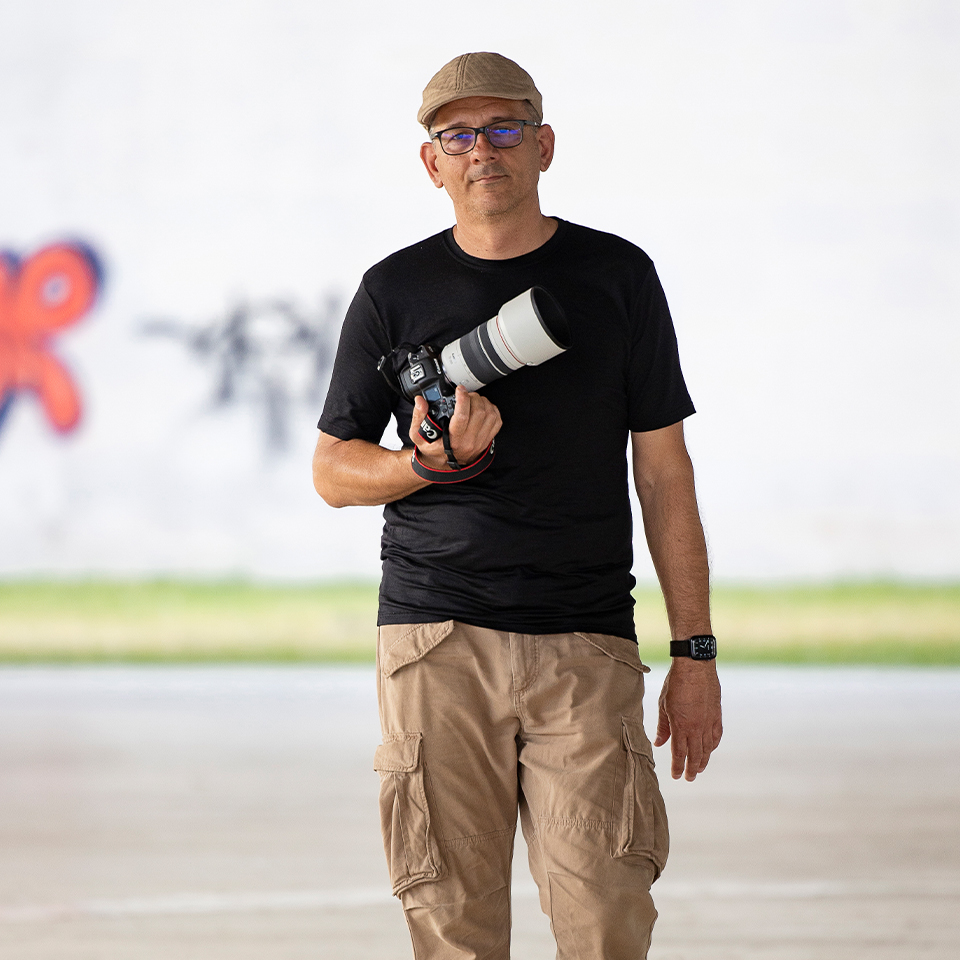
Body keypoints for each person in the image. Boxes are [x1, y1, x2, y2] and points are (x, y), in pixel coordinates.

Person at [313, 51, 722, 960]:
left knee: (607, 918)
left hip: (584, 640)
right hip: (435, 641)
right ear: (432, 163)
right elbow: (334, 471)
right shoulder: (393, 290)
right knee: (452, 925)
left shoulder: (617, 276)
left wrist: (694, 651)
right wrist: (428, 464)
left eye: (503, 129)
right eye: (457, 136)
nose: (481, 151)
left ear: (544, 145)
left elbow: (665, 473)